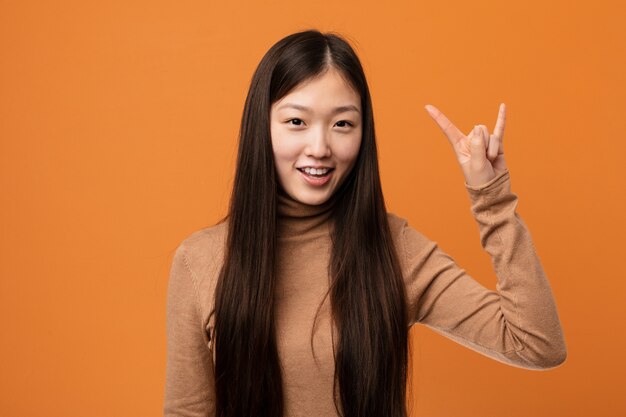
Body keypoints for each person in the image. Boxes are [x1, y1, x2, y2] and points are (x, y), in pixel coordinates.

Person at [163, 29, 567, 417]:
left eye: (342, 124)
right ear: (261, 127)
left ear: (363, 133)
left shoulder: (395, 248)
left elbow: (536, 343)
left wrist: (492, 199)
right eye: (296, 122)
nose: (319, 148)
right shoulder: (199, 260)